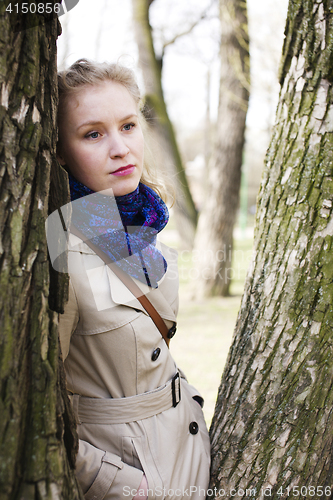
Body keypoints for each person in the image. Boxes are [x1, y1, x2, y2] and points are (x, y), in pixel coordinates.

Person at [54, 59, 210, 500]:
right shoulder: (59, 245)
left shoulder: (143, 227)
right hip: (130, 477)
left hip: (190, 451)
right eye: (93, 134)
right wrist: (121, 483)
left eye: (128, 125)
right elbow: (35, 402)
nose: (120, 148)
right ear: (61, 150)